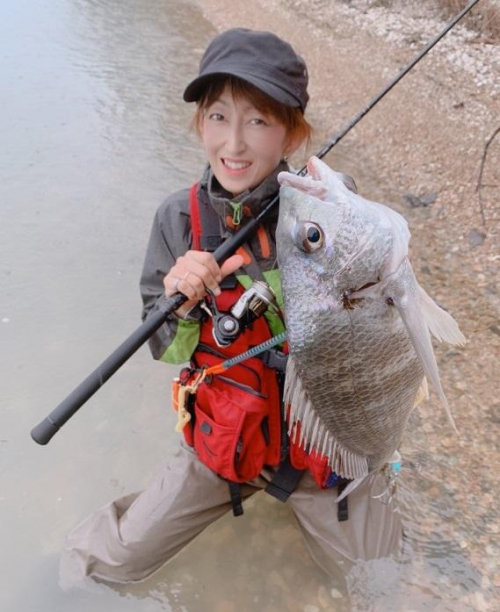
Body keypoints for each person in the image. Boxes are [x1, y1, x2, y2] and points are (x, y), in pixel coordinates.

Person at [60, 28, 402, 588]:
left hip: (323, 450)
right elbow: (165, 348)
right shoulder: (177, 218)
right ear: (200, 124)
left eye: (259, 121)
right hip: (223, 443)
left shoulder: (328, 209)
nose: (235, 144)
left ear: (293, 130)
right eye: (218, 117)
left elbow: (378, 322)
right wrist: (182, 303)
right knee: (110, 563)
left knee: (379, 575)